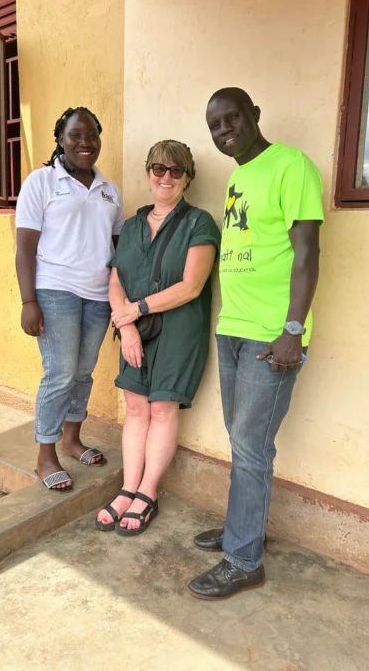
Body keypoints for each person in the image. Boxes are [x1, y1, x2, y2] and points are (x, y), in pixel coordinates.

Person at [188, 88, 324, 600]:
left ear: (254, 116)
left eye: (232, 118)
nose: (225, 130)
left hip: (273, 337)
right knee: (242, 442)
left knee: (250, 447)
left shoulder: (293, 166)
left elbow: (308, 252)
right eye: (215, 125)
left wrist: (293, 329)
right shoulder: (239, 176)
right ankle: (242, 528)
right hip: (234, 328)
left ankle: (244, 559)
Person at [96, 140, 221, 535]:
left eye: (176, 170)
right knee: (136, 409)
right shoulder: (131, 226)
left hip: (179, 329)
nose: (166, 177)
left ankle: (148, 493)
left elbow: (191, 285)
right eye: (159, 168)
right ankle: (128, 487)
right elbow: (115, 280)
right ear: (148, 171)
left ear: (188, 178)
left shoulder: (198, 223)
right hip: (133, 329)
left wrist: (138, 310)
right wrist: (126, 324)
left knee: (163, 409)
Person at [15, 107, 124, 491]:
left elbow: (115, 248)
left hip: (97, 295)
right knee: (59, 372)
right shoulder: (41, 182)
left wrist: (118, 299)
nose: (85, 142)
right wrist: (29, 302)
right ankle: (45, 457)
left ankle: (72, 439)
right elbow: (25, 247)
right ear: (60, 138)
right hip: (55, 289)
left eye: (92, 134)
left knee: (83, 372)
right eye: (76, 135)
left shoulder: (110, 190)